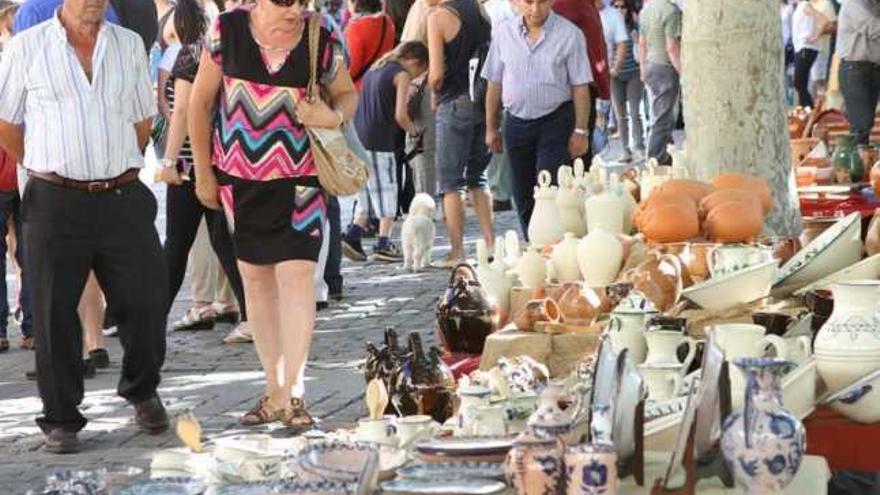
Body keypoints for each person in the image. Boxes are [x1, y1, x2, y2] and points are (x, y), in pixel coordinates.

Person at [0, 0, 170, 453]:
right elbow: (6, 123)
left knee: (147, 300)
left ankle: (141, 388)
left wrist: (109, 163)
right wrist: (49, 165)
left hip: (121, 193)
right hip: (54, 197)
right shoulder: (27, 47)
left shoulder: (130, 45)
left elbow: (141, 121)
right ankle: (60, 418)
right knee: (54, 313)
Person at [188, 0, 358, 427]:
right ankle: (274, 389)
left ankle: (295, 391)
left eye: (303, 1)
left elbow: (348, 94)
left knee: (298, 277)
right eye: (287, 2)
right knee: (256, 282)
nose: (297, 10)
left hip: (302, 179)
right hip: (239, 182)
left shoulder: (323, 33)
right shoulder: (226, 31)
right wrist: (203, 174)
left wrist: (332, 116)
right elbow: (199, 103)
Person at [157, 0, 248, 334]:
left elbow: (182, 110)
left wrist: (168, 161)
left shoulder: (188, 54)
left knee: (177, 246)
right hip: (218, 159)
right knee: (224, 241)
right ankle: (251, 315)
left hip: (189, 164)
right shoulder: (216, 50)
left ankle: (152, 320)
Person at [483, 0, 591, 237]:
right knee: (522, 192)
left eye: (541, 1)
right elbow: (494, 82)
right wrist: (491, 127)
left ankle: (552, 247)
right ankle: (533, 244)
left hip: (556, 120)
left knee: (549, 189)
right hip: (516, 121)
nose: (535, 9)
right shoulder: (504, 33)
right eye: (528, 2)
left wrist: (581, 131)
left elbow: (580, 86)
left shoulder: (570, 35)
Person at [345, 42, 428, 262]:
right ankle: (384, 242)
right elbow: (400, 115)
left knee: (367, 190)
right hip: (382, 139)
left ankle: (353, 234)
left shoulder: (376, 67)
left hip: (360, 136)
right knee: (387, 190)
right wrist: (415, 132)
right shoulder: (400, 74)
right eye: (420, 72)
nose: (416, 77)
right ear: (414, 62)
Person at [427, 0, 495, 266]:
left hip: (454, 99)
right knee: (479, 176)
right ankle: (490, 243)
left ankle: (457, 251)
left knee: (451, 181)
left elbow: (436, 74)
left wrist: (433, 92)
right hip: (484, 98)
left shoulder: (438, 17)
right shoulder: (480, 10)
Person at [0, 0, 31, 355]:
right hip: (24, 162)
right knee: (30, 250)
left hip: (21, 162)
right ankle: (33, 326)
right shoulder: (27, 53)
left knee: (28, 249)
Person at [551, 0, 609, 167]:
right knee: (576, 158)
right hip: (575, 88)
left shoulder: (583, 4)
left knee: (580, 155)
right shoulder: (569, 4)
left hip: (584, 85)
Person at [638, 0, 682, 165]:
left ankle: (665, 153)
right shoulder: (671, 12)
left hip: (650, 65)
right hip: (665, 68)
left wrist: (643, 69)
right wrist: (683, 72)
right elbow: (671, 47)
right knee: (663, 118)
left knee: (658, 115)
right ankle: (655, 160)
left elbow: (641, 43)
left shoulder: (646, 10)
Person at [837, 0, 880, 146]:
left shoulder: (874, 4)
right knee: (861, 125)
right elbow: (874, 28)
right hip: (855, 70)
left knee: (865, 123)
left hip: (871, 69)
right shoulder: (853, 3)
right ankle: (854, 164)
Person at [608, 0, 644, 162]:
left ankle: (640, 147)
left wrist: (637, 41)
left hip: (634, 74)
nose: (619, 10)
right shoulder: (608, 26)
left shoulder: (634, 26)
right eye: (616, 6)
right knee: (620, 115)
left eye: (623, 7)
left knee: (635, 112)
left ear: (628, 9)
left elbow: (643, 48)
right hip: (614, 76)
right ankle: (625, 150)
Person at [344, 0, 395, 90]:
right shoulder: (387, 22)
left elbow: (352, 69)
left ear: (354, 3)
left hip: (360, 90)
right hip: (381, 84)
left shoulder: (355, 28)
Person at [791, 0, 831, 108]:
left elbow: (824, 20)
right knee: (800, 83)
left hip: (806, 47)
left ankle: (809, 110)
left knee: (799, 83)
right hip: (802, 48)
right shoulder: (799, 6)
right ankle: (806, 110)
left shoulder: (805, 5)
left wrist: (815, 36)